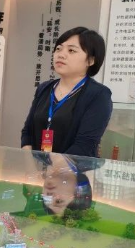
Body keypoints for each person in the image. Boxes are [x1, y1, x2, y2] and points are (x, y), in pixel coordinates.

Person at [21, 27, 112, 157]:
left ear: (90, 60)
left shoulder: (99, 95)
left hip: (76, 169)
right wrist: (31, 166)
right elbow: (27, 133)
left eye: (71, 50)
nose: (61, 54)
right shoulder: (44, 88)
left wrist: (52, 168)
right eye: (58, 49)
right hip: (37, 167)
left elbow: (85, 145)